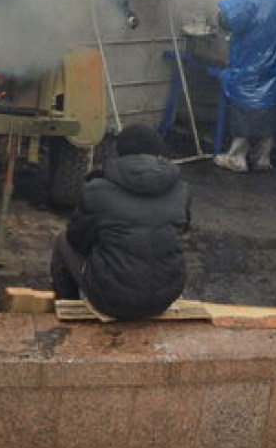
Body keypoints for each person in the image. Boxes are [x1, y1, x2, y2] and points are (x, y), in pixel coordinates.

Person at [50, 125, 190, 321]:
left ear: (118, 151)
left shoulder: (96, 190)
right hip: (165, 298)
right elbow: (182, 233)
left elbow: (77, 240)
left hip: (111, 300)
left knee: (62, 242)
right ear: (159, 153)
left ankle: (69, 307)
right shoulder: (180, 189)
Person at [212, 0, 276, 173]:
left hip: (250, 65)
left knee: (246, 108)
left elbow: (228, 21)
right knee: (269, 109)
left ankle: (236, 158)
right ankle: (262, 158)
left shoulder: (251, 0)